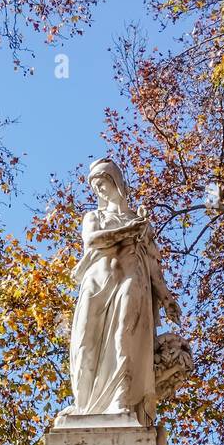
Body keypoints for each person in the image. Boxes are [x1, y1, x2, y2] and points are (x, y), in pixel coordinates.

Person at [65, 157, 181, 418]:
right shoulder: (94, 217)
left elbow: (153, 265)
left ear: (115, 181)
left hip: (131, 278)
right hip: (96, 283)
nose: (98, 189)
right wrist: (128, 232)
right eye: (94, 185)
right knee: (84, 341)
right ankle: (84, 405)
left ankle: (121, 399)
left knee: (125, 335)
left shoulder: (139, 224)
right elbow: (93, 241)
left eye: (102, 182)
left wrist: (166, 297)